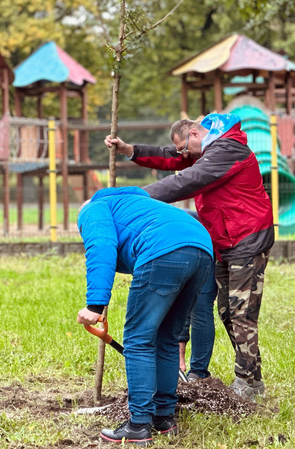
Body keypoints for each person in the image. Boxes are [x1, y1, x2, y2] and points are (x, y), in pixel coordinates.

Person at [105, 113, 274, 401]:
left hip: (247, 238)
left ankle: (247, 382)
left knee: (241, 314)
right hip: (224, 240)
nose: (183, 155)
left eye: (185, 148)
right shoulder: (207, 148)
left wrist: (133, 199)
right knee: (228, 312)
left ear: (195, 134)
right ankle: (252, 378)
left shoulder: (227, 149)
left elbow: (188, 180)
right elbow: (169, 156)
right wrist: (130, 150)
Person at [77, 187, 213, 446]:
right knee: (167, 338)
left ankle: (139, 425)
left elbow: (101, 246)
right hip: (202, 250)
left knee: (138, 339)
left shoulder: (93, 209)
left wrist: (95, 305)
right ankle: (164, 418)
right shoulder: (138, 206)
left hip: (162, 250)